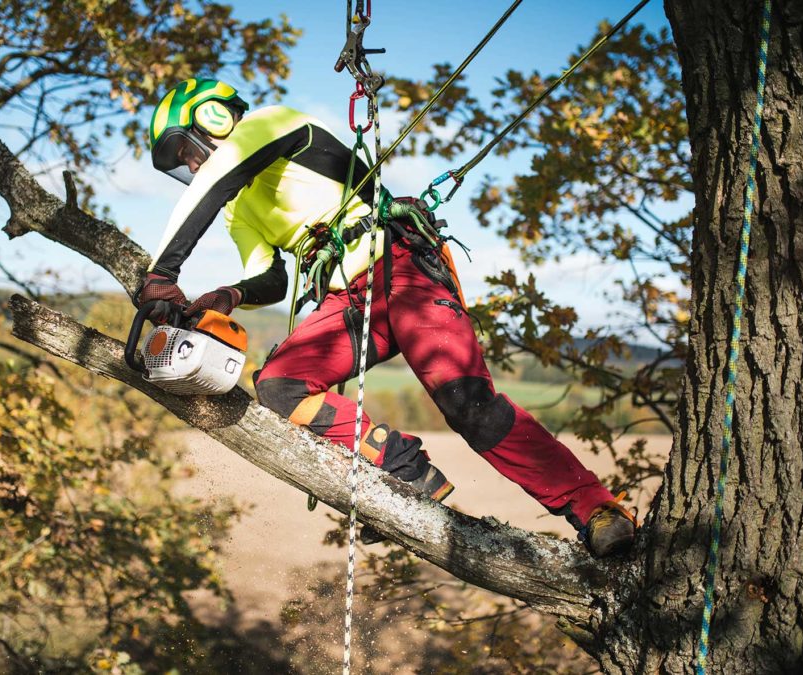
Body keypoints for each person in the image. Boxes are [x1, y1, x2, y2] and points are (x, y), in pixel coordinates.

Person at [139, 77, 636, 557]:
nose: (191, 162)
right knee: (279, 385)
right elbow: (272, 279)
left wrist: (162, 272)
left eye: (186, 148)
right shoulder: (236, 209)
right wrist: (230, 293)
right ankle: (401, 469)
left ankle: (595, 509)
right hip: (346, 301)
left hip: (399, 265)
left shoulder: (270, 125)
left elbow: (217, 183)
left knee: (466, 401)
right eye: (180, 161)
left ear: (212, 117)